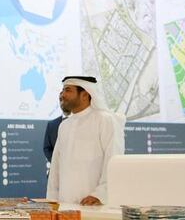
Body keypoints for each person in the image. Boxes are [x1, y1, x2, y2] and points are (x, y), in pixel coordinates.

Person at [46, 76, 125, 205]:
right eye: (62, 90)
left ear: (85, 94)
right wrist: (53, 198)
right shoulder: (64, 125)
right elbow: (56, 164)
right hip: (65, 203)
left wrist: (100, 195)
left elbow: (114, 159)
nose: (62, 95)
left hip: (95, 204)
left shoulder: (105, 120)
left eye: (68, 90)